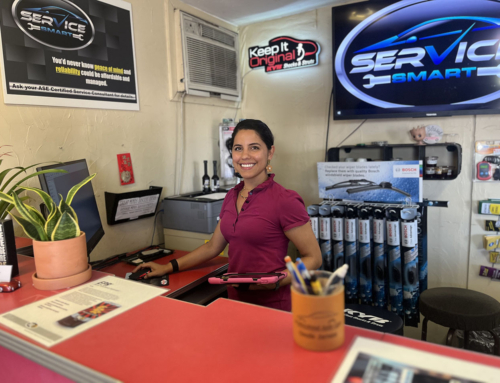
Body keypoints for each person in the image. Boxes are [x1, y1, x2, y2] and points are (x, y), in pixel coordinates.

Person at [133, 119, 322, 311]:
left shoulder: (285, 200)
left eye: (254, 147)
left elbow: (313, 258)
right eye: (238, 148)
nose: (245, 156)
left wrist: (273, 281)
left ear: (270, 152)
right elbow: (213, 247)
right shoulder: (231, 195)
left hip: (272, 305)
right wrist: (168, 266)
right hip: (235, 299)